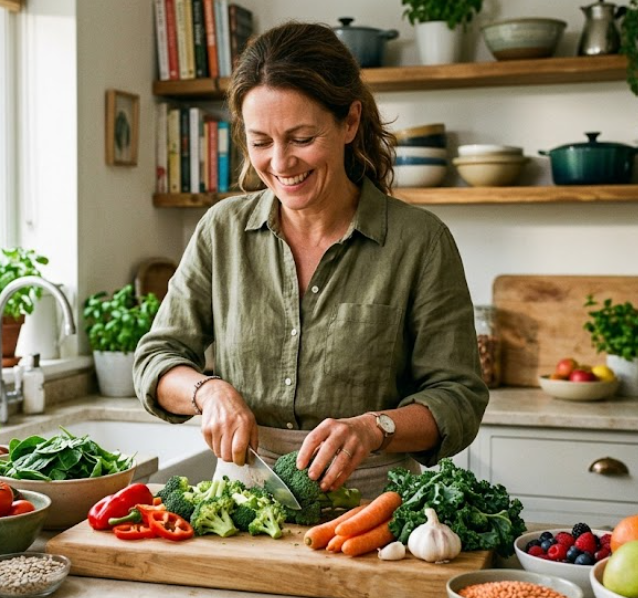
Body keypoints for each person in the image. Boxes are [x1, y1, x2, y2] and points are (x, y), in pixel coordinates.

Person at [133, 21, 488, 499]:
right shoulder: (222, 230)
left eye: (301, 138)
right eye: (261, 142)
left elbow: (458, 397)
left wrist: (374, 428)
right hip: (243, 501)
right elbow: (156, 359)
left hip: (374, 510)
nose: (280, 163)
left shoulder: (420, 242)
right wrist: (208, 392)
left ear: (349, 122)